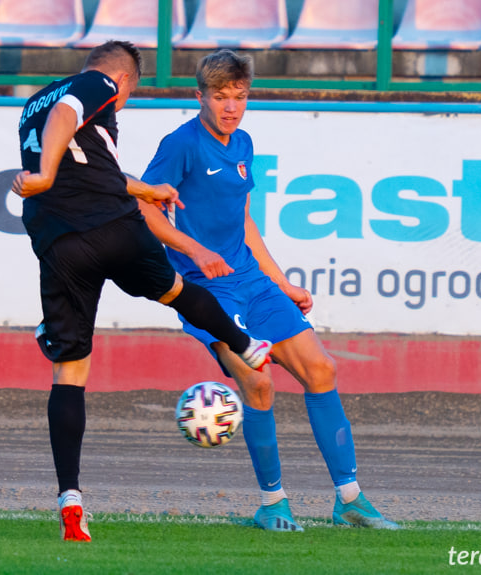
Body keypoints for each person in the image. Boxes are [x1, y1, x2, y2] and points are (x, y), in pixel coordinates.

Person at [11, 41, 272, 542]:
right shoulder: (96, 85)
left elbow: (86, 165)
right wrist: (44, 175)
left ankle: (71, 499)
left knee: (70, 370)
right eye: (127, 95)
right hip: (112, 228)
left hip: (59, 242)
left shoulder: (34, 101)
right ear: (124, 81)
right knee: (175, 289)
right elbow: (67, 117)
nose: (122, 104)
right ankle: (245, 345)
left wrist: (147, 190)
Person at [139, 49, 399, 531]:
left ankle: (350, 500)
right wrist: (194, 251)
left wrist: (282, 283)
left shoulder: (243, 143)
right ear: (200, 97)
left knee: (321, 368)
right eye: (220, 97)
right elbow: (147, 210)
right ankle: (272, 503)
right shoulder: (181, 145)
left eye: (239, 97)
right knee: (258, 382)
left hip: (252, 281)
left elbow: (243, 221)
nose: (230, 107)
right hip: (205, 289)